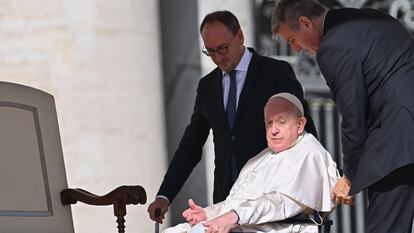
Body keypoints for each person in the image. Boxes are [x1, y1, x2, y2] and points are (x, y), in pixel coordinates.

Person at [148, 10, 318, 224]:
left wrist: (314, 181)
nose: (218, 57)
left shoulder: (275, 72)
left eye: (223, 48)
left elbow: (304, 129)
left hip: (269, 200)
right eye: (210, 51)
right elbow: (190, 146)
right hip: (225, 201)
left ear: (240, 37)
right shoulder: (207, 86)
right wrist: (165, 196)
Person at [272, 1, 414, 232]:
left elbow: (352, 115)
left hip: (398, 145)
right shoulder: (370, 19)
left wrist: (349, 176)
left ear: (305, 23)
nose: (296, 49)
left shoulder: (333, 47)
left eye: (292, 40)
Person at [162, 93, 339, 233]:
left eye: (281, 122)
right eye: (269, 123)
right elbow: (236, 202)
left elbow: (278, 203)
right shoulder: (261, 157)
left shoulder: (310, 154)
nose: (274, 130)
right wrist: (208, 214)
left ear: (300, 125)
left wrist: (233, 217)